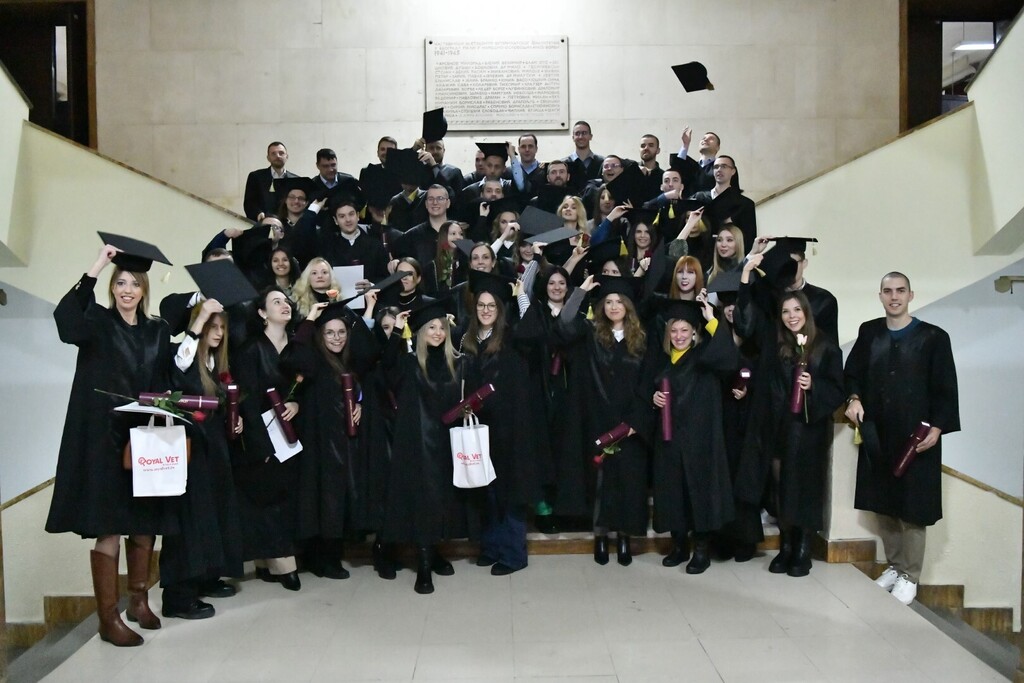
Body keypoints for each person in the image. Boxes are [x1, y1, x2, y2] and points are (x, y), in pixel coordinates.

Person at [47, 240, 175, 647]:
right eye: (120, 283)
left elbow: (166, 378)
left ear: (144, 289)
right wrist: (97, 265)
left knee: (144, 523)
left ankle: (138, 600)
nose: (126, 290)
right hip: (103, 439)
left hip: (144, 438)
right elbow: (65, 322)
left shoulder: (158, 330)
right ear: (112, 287)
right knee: (110, 526)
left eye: (134, 283)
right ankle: (108, 618)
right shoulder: (97, 322)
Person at [844, 272, 960, 605]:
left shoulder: (933, 337)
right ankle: (895, 567)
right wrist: (853, 398)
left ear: (911, 295)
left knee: (913, 508)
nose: (894, 297)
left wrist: (937, 428)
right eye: (887, 291)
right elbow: (852, 373)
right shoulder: (869, 332)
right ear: (880, 295)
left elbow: (945, 388)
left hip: (917, 437)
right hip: (878, 433)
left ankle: (911, 575)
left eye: (900, 291)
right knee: (883, 503)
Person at [734, 267, 844, 578]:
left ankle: (802, 548)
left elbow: (837, 388)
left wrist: (814, 387)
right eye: (785, 311)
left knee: (803, 489)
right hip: (777, 428)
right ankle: (785, 545)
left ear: (806, 312)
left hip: (806, 431)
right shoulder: (775, 343)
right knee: (780, 489)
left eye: (796, 310)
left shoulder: (824, 346)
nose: (791, 316)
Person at [160, 299, 245, 620]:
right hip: (191, 449)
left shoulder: (215, 363)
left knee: (214, 512)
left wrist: (235, 419)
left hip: (214, 449)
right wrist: (202, 314)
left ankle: (207, 576)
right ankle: (178, 596)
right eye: (212, 327)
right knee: (190, 518)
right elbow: (180, 363)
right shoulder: (183, 355)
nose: (219, 333)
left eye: (222, 327)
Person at [381, 298, 471, 594]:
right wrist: (396, 330)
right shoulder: (409, 364)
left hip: (445, 443)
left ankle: (434, 553)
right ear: (419, 332)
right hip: (416, 444)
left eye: (441, 327)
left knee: (442, 501)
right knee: (422, 502)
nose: (437, 332)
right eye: (431, 327)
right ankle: (423, 566)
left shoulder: (456, 363)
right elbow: (385, 369)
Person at [558, 275, 649, 566]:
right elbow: (564, 325)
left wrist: (636, 420)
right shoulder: (591, 334)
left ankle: (623, 537)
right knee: (599, 481)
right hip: (597, 418)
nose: (613, 306)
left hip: (629, 423)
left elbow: (648, 382)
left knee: (628, 482)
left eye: (619, 301)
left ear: (628, 306)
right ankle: (600, 535)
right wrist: (579, 293)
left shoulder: (641, 340)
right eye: (608, 301)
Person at [648, 297, 738, 574]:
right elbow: (647, 389)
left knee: (698, 493)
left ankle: (701, 551)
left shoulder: (705, 357)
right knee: (673, 492)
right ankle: (679, 546)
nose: (679, 336)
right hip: (670, 439)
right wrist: (654, 399)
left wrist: (712, 319)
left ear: (695, 333)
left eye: (685, 330)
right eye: (674, 330)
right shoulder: (661, 360)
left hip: (700, 439)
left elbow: (729, 358)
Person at [290, 300, 379, 580]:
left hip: (344, 445)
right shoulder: (314, 362)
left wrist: (360, 403)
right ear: (320, 336)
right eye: (329, 333)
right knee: (324, 501)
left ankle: (332, 555)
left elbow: (370, 353)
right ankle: (323, 560)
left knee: (339, 501)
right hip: (320, 445)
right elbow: (294, 358)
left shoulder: (348, 361)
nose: (337, 338)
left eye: (341, 332)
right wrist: (310, 319)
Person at [461, 269, 538, 575]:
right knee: (486, 492)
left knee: (509, 491)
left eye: (491, 305)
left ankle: (513, 555)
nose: (485, 310)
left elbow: (534, 331)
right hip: (480, 429)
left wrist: (521, 296)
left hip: (510, 428)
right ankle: (491, 547)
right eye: (481, 305)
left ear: (500, 309)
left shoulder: (511, 337)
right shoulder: (466, 340)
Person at [233, 287, 303, 591]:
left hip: (293, 435)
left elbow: (309, 387)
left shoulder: (298, 345)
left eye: (286, 301)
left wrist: (297, 403)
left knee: (288, 497)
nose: (284, 305)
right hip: (260, 436)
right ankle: (283, 564)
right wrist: (260, 444)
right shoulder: (250, 350)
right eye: (276, 302)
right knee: (268, 498)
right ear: (262, 313)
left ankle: (268, 562)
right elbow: (246, 402)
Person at [244, 141, 297, 220]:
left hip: (288, 225)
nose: (278, 156)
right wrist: (258, 214)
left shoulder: (296, 180)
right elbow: (249, 203)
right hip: (264, 223)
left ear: (287, 156)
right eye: (273, 154)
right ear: (268, 158)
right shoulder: (256, 177)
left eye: (281, 153)